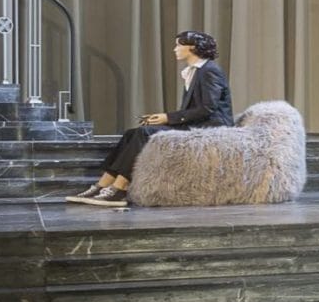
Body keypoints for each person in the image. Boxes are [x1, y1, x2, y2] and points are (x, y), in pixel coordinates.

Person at [69, 31, 233, 207]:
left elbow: (207, 108)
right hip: (196, 123)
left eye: (179, 45)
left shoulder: (209, 71)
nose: (175, 49)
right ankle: (101, 185)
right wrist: (166, 118)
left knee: (143, 133)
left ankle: (120, 189)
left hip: (210, 127)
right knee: (131, 134)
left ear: (192, 48)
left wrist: (167, 118)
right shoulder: (197, 71)